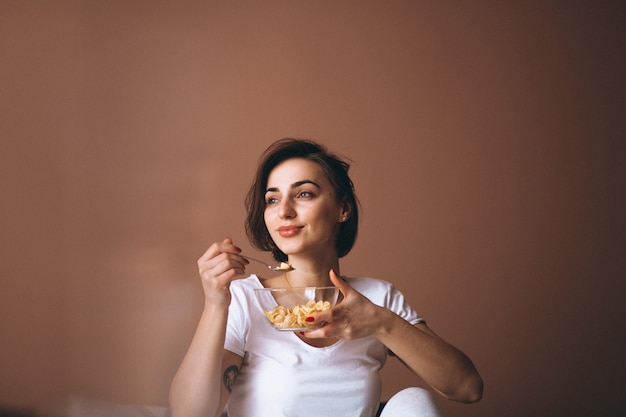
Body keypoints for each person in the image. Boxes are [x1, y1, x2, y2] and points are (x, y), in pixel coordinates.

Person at [169, 138, 483, 417]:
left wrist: (381, 323)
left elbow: (467, 388)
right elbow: (189, 413)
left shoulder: (377, 297)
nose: (284, 211)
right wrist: (215, 303)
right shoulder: (246, 298)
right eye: (273, 199)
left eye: (304, 194)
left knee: (415, 400)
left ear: (342, 208)